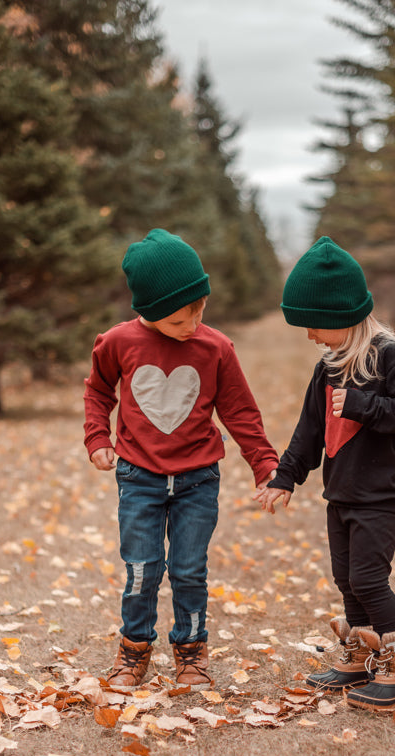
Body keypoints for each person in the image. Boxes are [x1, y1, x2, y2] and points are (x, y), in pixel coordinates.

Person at [84, 229, 278, 688]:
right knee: (141, 570)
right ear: (146, 311)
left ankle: (191, 652)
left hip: (198, 479)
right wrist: (97, 438)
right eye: (176, 321)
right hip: (139, 477)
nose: (190, 326)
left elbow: (240, 412)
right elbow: (97, 391)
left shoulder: (216, 348)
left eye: (199, 312)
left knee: (189, 570)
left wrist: (265, 464)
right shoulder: (116, 343)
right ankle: (133, 651)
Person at [256, 236, 395, 712]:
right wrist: (285, 475)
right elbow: (310, 430)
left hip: (382, 493)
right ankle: (357, 656)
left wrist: (363, 405)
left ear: (341, 318)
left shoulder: (390, 357)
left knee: (370, 578)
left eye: (314, 325)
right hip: (343, 491)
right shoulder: (328, 365)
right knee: (346, 578)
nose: (309, 335)